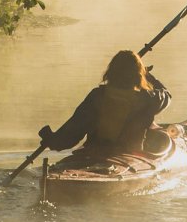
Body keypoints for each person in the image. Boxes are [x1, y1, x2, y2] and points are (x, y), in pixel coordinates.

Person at [38, 50, 173, 155]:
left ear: (111, 73)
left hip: (94, 153)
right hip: (128, 155)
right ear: (138, 76)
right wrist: (148, 75)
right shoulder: (148, 99)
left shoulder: (97, 96)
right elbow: (166, 95)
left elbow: (71, 134)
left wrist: (52, 140)